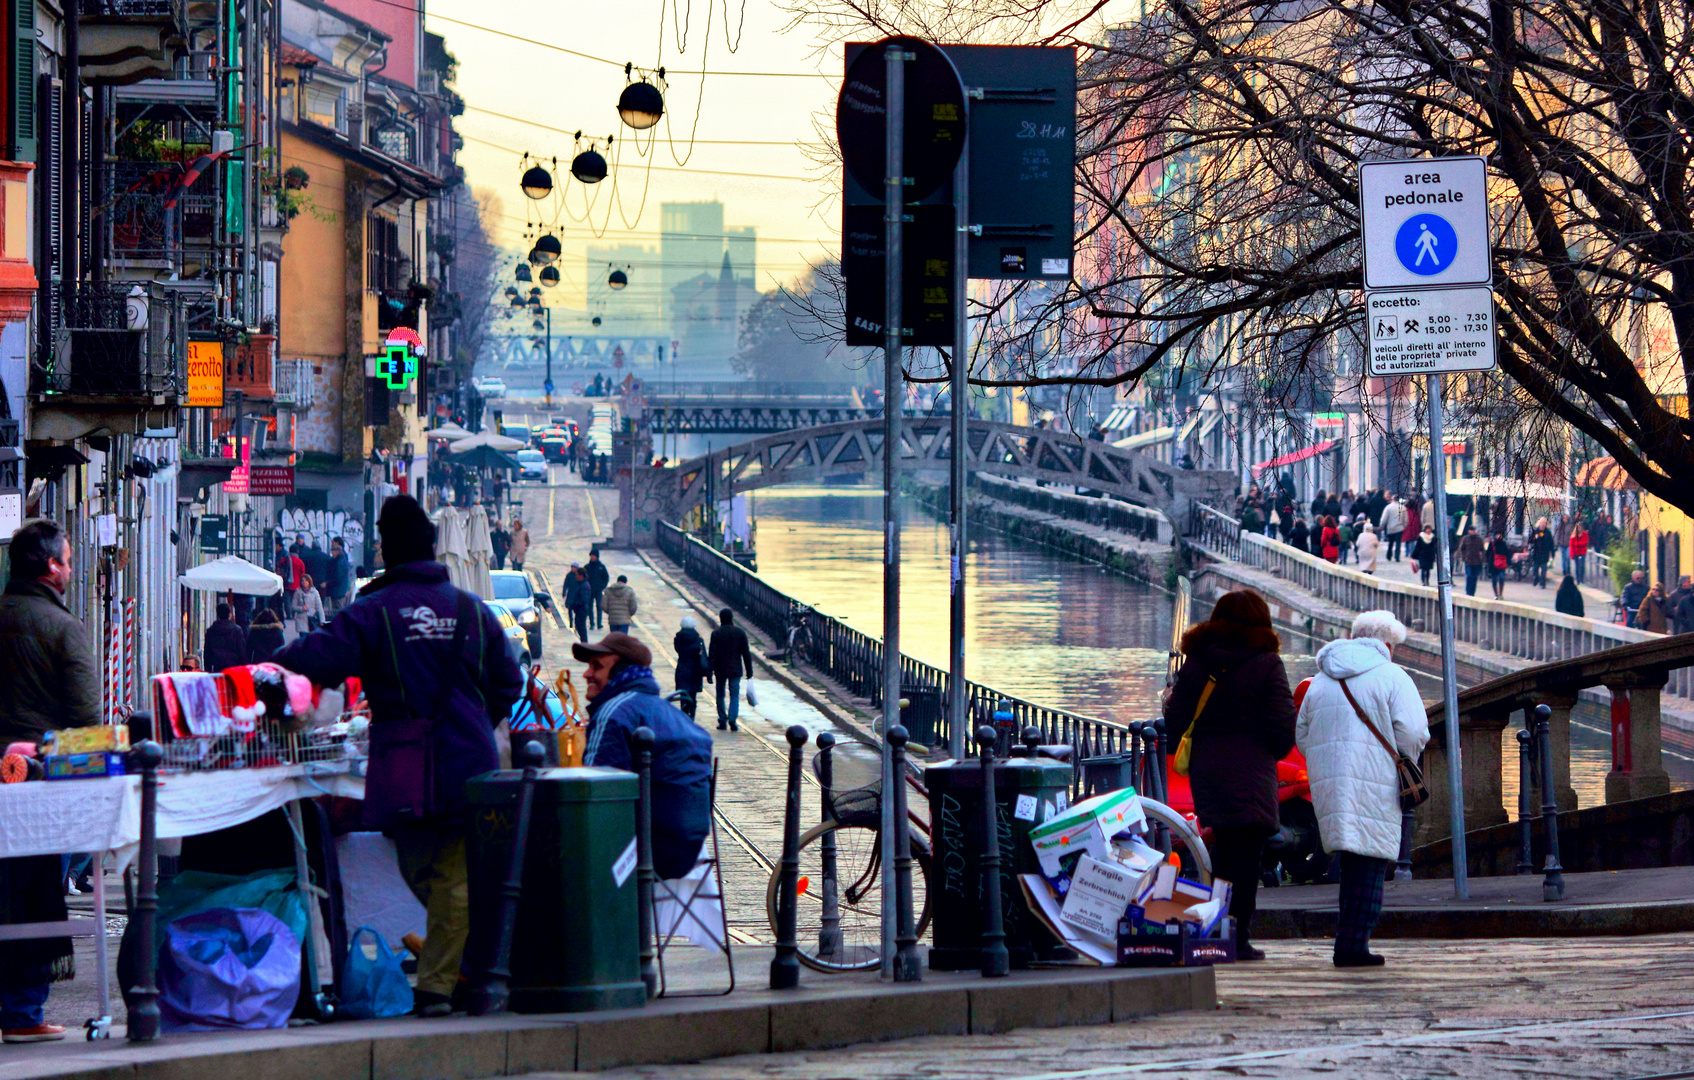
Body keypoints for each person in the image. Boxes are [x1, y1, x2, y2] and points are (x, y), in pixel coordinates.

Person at [274, 495, 523, 1017]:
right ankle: (474, 959)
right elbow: (510, 682)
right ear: (432, 547)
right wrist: (476, 718)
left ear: (386, 547)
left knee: (448, 876)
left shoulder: (375, 611)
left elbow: (317, 656)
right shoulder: (471, 610)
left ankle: (436, 988)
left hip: (408, 762)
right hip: (464, 758)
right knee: (427, 872)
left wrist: (268, 669)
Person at [0, 520, 100, 1043]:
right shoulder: (61, 627)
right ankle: (21, 1012)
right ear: (50, 568)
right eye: (66, 558)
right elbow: (88, 719)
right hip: (37, 782)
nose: (69, 566)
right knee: (36, 892)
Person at [1161, 589, 1295, 962]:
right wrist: (1271, 751)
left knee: (1221, 850)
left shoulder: (1197, 661)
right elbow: (1283, 726)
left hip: (1209, 770)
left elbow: (1175, 723)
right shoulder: (1267, 664)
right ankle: (1239, 936)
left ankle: (1218, 929)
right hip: (1252, 771)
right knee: (1248, 855)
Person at [1295, 610, 1430, 968]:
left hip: (1330, 783)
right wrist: (1404, 758)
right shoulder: (1392, 677)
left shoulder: (1322, 680)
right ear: (1386, 644)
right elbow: (1414, 732)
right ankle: (1354, 945)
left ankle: (1348, 941)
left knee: (1350, 861)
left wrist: (1330, 765)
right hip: (1377, 780)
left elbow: (1303, 735)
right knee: (1370, 862)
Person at [574, 632, 714, 879]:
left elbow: (592, 796)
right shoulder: (671, 714)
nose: (587, 674)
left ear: (621, 671)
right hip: (687, 853)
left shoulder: (614, 713)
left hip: (639, 855)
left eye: (597, 666)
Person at [707, 608, 754, 732]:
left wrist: (709, 672)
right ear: (731, 618)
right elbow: (746, 653)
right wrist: (749, 671)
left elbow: (712, 655)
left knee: (720, 694)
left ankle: (722, 719)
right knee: (734, 695)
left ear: (721, 618)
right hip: (735, 669)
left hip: (720, 669)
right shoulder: (740, 633)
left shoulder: (716, 633)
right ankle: (732, 718)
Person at [672, 616, 709, 719]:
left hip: (682, 669)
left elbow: (678, 650)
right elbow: (703, 656)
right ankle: (691, 715)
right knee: (693, 695)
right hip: (695, 671)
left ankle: (684, 713)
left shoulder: (678, 639)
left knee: (683, 695)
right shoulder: (698, 640)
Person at [203, 601, 248, 672]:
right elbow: (241, 651)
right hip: (233, 667)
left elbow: (207, 653)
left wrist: (208, 670)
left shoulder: (211, 630)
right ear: (229, 614)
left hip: (217, 667)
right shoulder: (237, 630)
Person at [563, 563, 592, 642]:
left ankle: (584, 645)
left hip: (582, 610)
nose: (575, 576)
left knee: (581, 628)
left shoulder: (584, 586)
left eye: (577, 574)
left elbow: (583, 600)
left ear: (581, 576)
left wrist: (573, 605)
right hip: (579, 610)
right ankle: (583, 643)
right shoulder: (580, 584)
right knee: (579, 627)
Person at [1456, 525, 1486, 597]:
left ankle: (1472, 592)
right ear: (1469, 531)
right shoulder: (1466, 539)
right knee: (1469, 576)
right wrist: (1464, 557)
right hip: (1468, 561)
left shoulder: (1479, 539)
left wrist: (1483, 560)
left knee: (1474, 577)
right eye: (1471, 530)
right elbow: (1462, 549)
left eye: (1474, 530)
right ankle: (1468, 591)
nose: (1473, 532)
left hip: (1476, 561)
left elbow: (1483, 550)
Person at [585, 550, 611, 631]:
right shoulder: (587, 567)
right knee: (590, 607)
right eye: (591, 555)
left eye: (593, 555)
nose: (592, 557)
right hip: (589, 590)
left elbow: (606, 577)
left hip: (598, 590)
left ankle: (599, 623)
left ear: (597, 557)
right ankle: (592, 623)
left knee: (599, 607)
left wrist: (602, 586)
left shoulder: (601, 567)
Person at [328, 537, 354, 613]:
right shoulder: (339, 560)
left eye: (333, 551)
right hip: (339, 589)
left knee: (338, 610)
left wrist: (328, 583)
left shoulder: (339, 562)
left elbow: (338, 577)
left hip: (338, 590)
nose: (332, 553)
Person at [1529, 518, 1555, 589]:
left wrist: (1552, 554)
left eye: (1545, 523)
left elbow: (1551, 544)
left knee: (1544, 570)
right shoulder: (1535, 531)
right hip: (1536, 553)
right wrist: (1534, 538)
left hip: (1545, 553)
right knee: (1535, 569)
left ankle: (1542, 583)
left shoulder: (1548, 532)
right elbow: (1530, 540)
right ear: (1539, 523)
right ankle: (1536, 578)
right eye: (1542, 523)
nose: (1543, 524)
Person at [1380, 498, 1406, 562]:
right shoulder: (1403, 507)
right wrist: (1404, 526)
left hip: (1390, 528)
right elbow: (1406, 519)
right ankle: (1397, 557)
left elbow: (1384, 518)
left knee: (1390, 542)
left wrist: (1382, 525)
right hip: (1399, 527)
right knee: (1398, 543)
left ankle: (1389, 556)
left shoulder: (1388, 507)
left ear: (1392, 500)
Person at [1487, 532, 1511, 600]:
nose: (1498, 536)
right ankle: (1496, 594)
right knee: (1494, 580)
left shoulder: (1503, 543)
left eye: (1500, 535)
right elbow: (1488, 553)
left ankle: (1500, 594)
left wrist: (1508, 562)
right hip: (1493, 564)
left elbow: (1507, 553)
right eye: (1497, 534)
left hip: (1502, 564)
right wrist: (1488, 562)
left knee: (1501, 578)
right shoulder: (1492, 543)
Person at [1568, 519, 1590, 584]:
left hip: (1582, 553)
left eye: (1580, 527)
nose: (1579, 529)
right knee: (1577, 567)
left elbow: (1585, 542)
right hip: (1576, 553)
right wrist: (1571, 555)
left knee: (1582, 565)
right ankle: (1578, 579)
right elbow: (1572, 545)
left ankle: (1582, 578)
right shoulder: (1573, 535)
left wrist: (1577, 544)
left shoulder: (1585, 534)